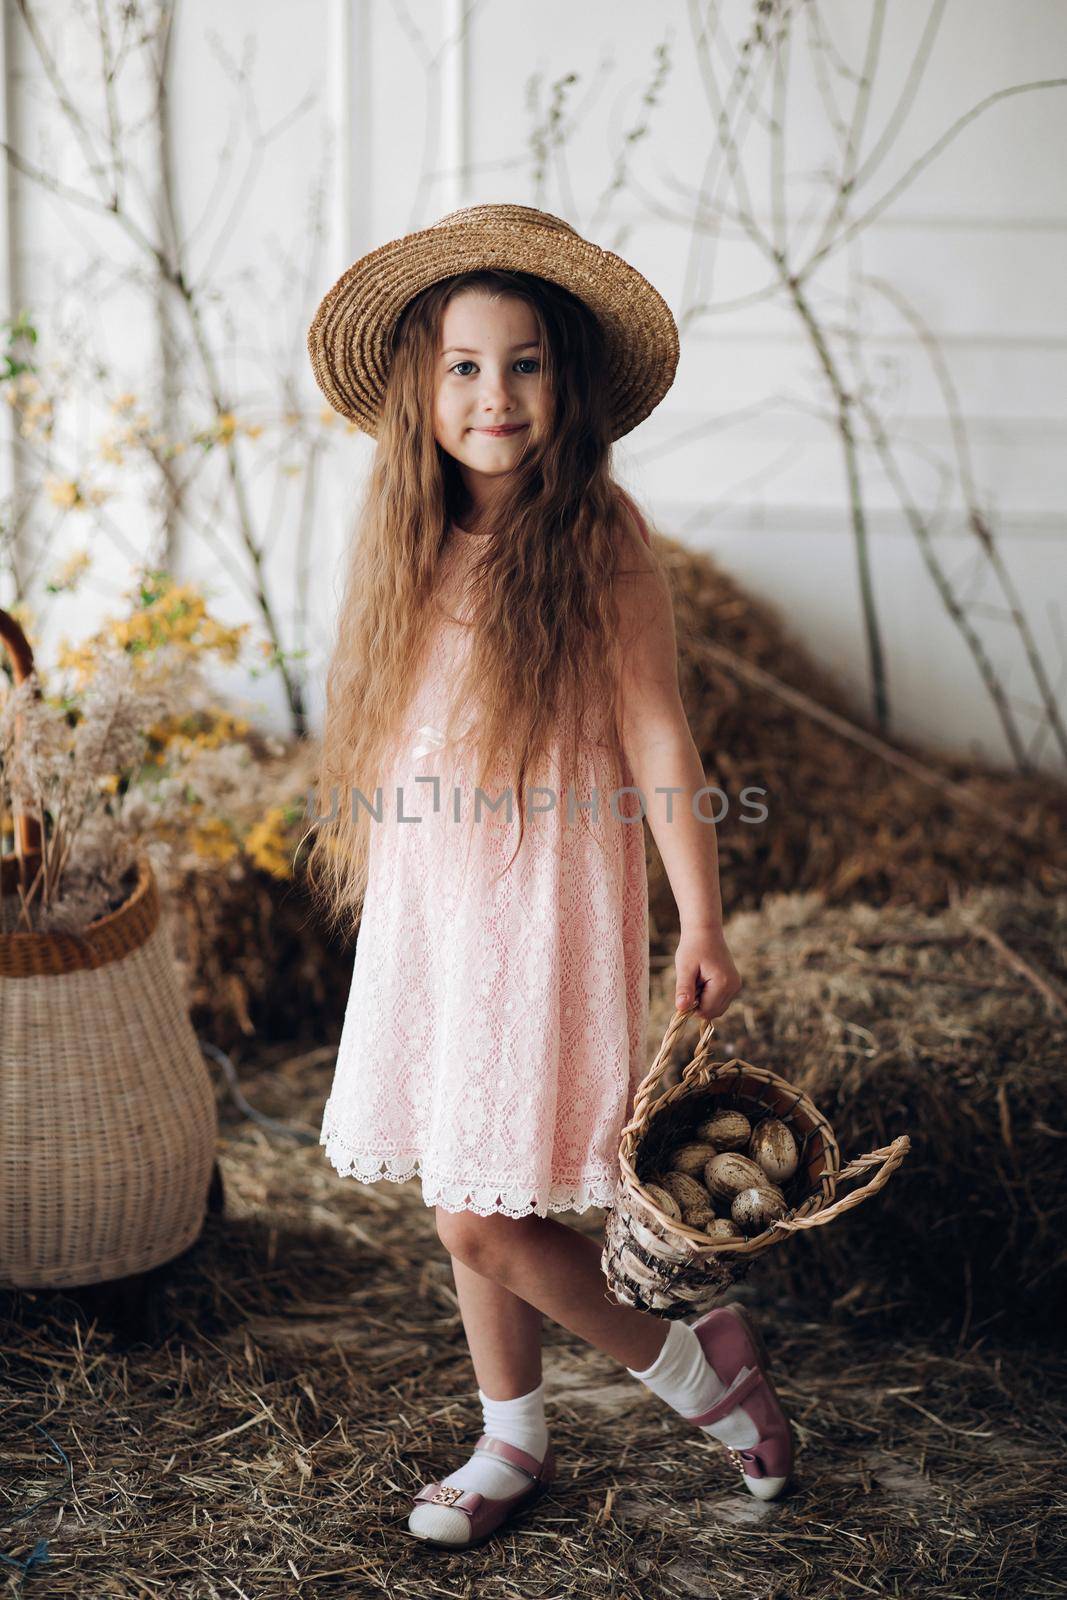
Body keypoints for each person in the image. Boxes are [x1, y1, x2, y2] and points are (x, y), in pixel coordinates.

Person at [304, 204, 794, 1551]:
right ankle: (510, 1434)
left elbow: (655, 732)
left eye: (524, 364)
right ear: (422, 387)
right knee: (471, 1186)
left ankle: (706, 1379)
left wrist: (699, 913)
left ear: (564, 383)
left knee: (481, 1220)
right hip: (439, 898)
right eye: (464, 365)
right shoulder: (404, 530)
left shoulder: (599, 533)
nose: (494, 394)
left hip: (546, 897)